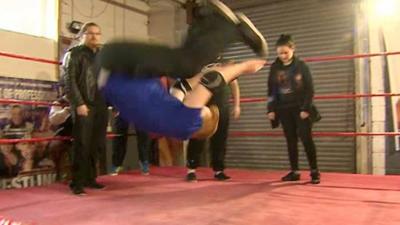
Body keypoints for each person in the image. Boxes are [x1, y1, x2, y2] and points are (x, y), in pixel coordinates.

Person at [98, 0, 267, 141]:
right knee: (187, 66)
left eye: (205, 109)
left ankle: (230, 29)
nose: (204, 104)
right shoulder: (173, 115)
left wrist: (243, 67)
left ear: (200, 121)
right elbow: (182, 87)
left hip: (116, 65)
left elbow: (211, 82)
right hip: (120, 69)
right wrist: (202, 73)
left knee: (187, 65)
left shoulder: (187, 125)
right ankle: (205, 19)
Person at [266, 34, 320, 184]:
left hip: (300, 108)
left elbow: (310, 89)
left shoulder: (301, 66)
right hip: (283, 109)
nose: (282, 56)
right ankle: (294, 171)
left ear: (292, 49)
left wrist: (306, 108)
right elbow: (271, 90)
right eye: (279, 53)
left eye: (285, 52)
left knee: (306, 139)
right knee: (290, 140)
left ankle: (314, 171)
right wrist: (271, 109)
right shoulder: (275, 68)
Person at [178, 60, 241, 182]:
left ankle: (219, 170)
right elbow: (189, 85)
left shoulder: (225, 62)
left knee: (220, 138)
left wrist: (237, 105)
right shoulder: (197, 63)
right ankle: (191, 169)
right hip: (203, 105)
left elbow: (234, 84)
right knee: (197, 137)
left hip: (221, 105)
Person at [64, 22, 108, 195]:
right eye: (90, 33)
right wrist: (79, 103)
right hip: (84, 104)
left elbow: (106, 81)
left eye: (97, 33)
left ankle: (90, 178)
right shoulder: (73, 54)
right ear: (82, 35)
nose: (94, 37)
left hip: (100, 104)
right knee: (82, 143)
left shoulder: (100, 56)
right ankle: (77, 183)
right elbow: (70, 81)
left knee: (96, 144)